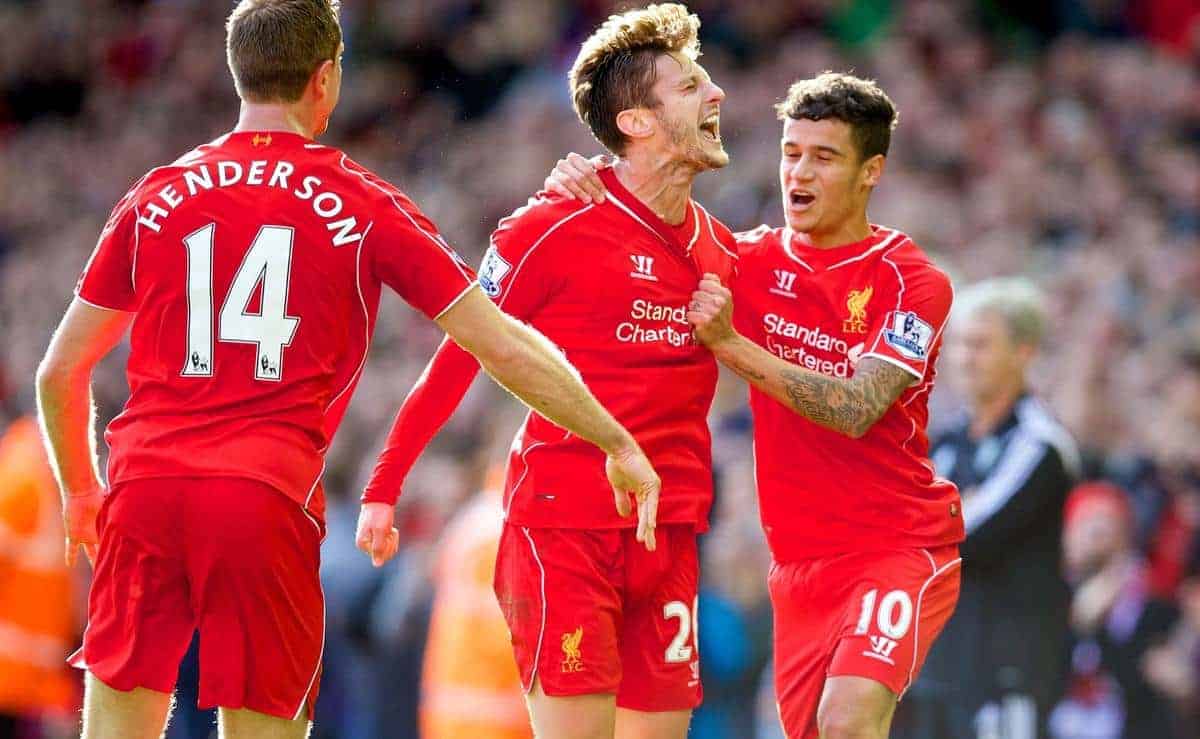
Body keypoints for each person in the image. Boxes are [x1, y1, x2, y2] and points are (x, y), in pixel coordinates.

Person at [34, 2, 659, 738]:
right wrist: (615, 438)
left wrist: (81, 489)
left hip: (145, 489)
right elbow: (505, 346)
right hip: (263, 496)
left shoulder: (155, 194)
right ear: (325, 78)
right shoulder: (361, 201)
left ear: (240, 75)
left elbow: (58, 372)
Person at [357, 5, 738, 738]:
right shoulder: (550, 225)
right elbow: (463, 348)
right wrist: (385, 483)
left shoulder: (722, 250)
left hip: (669, 533)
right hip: (563, 530)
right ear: (637, 121)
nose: (716, 95)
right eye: (691, 86)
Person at [548, 72, 964, 739]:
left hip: (897, 546)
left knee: (848, 720)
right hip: (798, 567)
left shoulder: (910, 280)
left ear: (870, 171)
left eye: (824, 157)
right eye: (791, 152)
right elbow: (646, 241)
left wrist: (733, 347)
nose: (799, 171)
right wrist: (585, 188)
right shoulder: (748, 259)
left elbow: (858, 406)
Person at [899, 278, 1080, 739]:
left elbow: (967, 534)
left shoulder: (1039, 444)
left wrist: (937, 513)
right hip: (942, 662)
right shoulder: (946, 441)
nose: (965, 358)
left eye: (981, 345)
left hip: (1008, 669)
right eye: (960, 344)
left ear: (1023, 352)